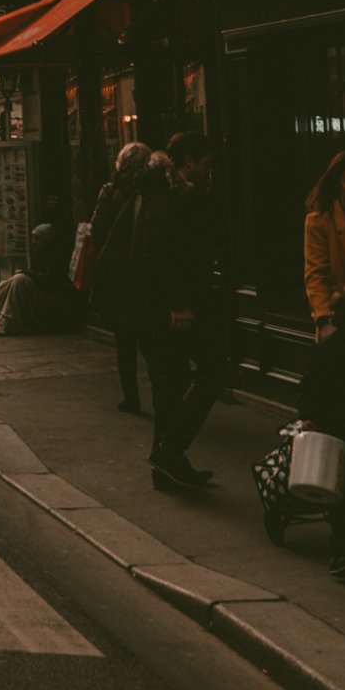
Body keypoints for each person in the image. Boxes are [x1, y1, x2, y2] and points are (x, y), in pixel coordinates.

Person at [134, 131, 225, 492]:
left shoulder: (167, 191)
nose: (208, 169)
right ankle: (169, 452)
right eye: (205, 163)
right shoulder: (167, 196)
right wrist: (178, 303)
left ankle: (168, 462)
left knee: (171, 385)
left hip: (170, 304)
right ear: (188, 161)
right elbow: (161, 252)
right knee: (212, 372)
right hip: (170, 308)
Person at [85, 141, 154, 414]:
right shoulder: (151, 191)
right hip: (144, 275)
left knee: (124, 342)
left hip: (118, 277)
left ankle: (131, 397)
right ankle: (162, 390)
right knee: (150, 340)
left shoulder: (110, 191)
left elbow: (97, 230)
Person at [295, 323, 345, 583]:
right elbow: (312, 388)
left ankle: (341, 551)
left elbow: (308, 387)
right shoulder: (330, 350)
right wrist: (309, 416)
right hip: (339, 426)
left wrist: (308, 414)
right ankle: (341, 552)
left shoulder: (327, 349)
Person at [0, 223, 67, 335]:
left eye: (37, 238)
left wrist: (27, 273)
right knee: (4, 283)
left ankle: (9, 323)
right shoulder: (40, 253)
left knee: (19, 279)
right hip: (41, 287)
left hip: (51, 294)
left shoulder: (57, 256)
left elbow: (49, 281)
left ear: (46, 239)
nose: (34, 242)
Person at [304, 151, 345, 339]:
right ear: (337, 183)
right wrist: (323, 322)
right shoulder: (320, 221)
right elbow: (316, 276)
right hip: (340, 321)